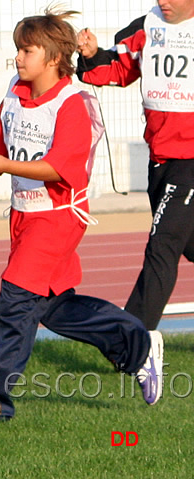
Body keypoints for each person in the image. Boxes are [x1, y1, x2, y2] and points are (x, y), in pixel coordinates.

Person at [0, 8, 163, 424]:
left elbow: (58, 169)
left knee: (14, 302)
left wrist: (5, 167)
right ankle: (137, 345)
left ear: (53, 57)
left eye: (27, 50)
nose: (18, 57)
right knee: (54, 308)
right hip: (24, 217)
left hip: (57, 219)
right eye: (18, 48)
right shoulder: (15, 91)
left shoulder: (73, 103)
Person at [76, 1, 194, 331]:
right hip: (161, 159)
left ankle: (129, 340)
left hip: (192, 161)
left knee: (162, 246)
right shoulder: (146, 26)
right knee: (187, 244)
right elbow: (116, 68)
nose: (163, 2)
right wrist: (91, 53)